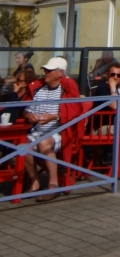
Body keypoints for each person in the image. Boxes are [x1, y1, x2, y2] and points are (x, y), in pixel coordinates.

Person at [24, 57, 82, 201]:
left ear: (60, 73)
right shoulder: (38, 89)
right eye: (45, 70)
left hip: (60, 131)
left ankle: (53, 185)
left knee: (44, 142)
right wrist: (29, 115)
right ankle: (35, 182)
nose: (45, 73)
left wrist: (54, 117)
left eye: (49, 70)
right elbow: (26, 108)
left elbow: (74, 112)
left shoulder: (66, 89)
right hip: (37, 130)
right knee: (22, 145)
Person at [91, 60, 120, 173]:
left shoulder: (119, 88)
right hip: (98, 128)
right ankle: (117, 165)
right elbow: (115, 106)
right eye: (113, 74)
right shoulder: (103, 88)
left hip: (112, 124)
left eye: (119, 75)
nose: (115, 77)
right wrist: (112, 87)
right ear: (107, 75)